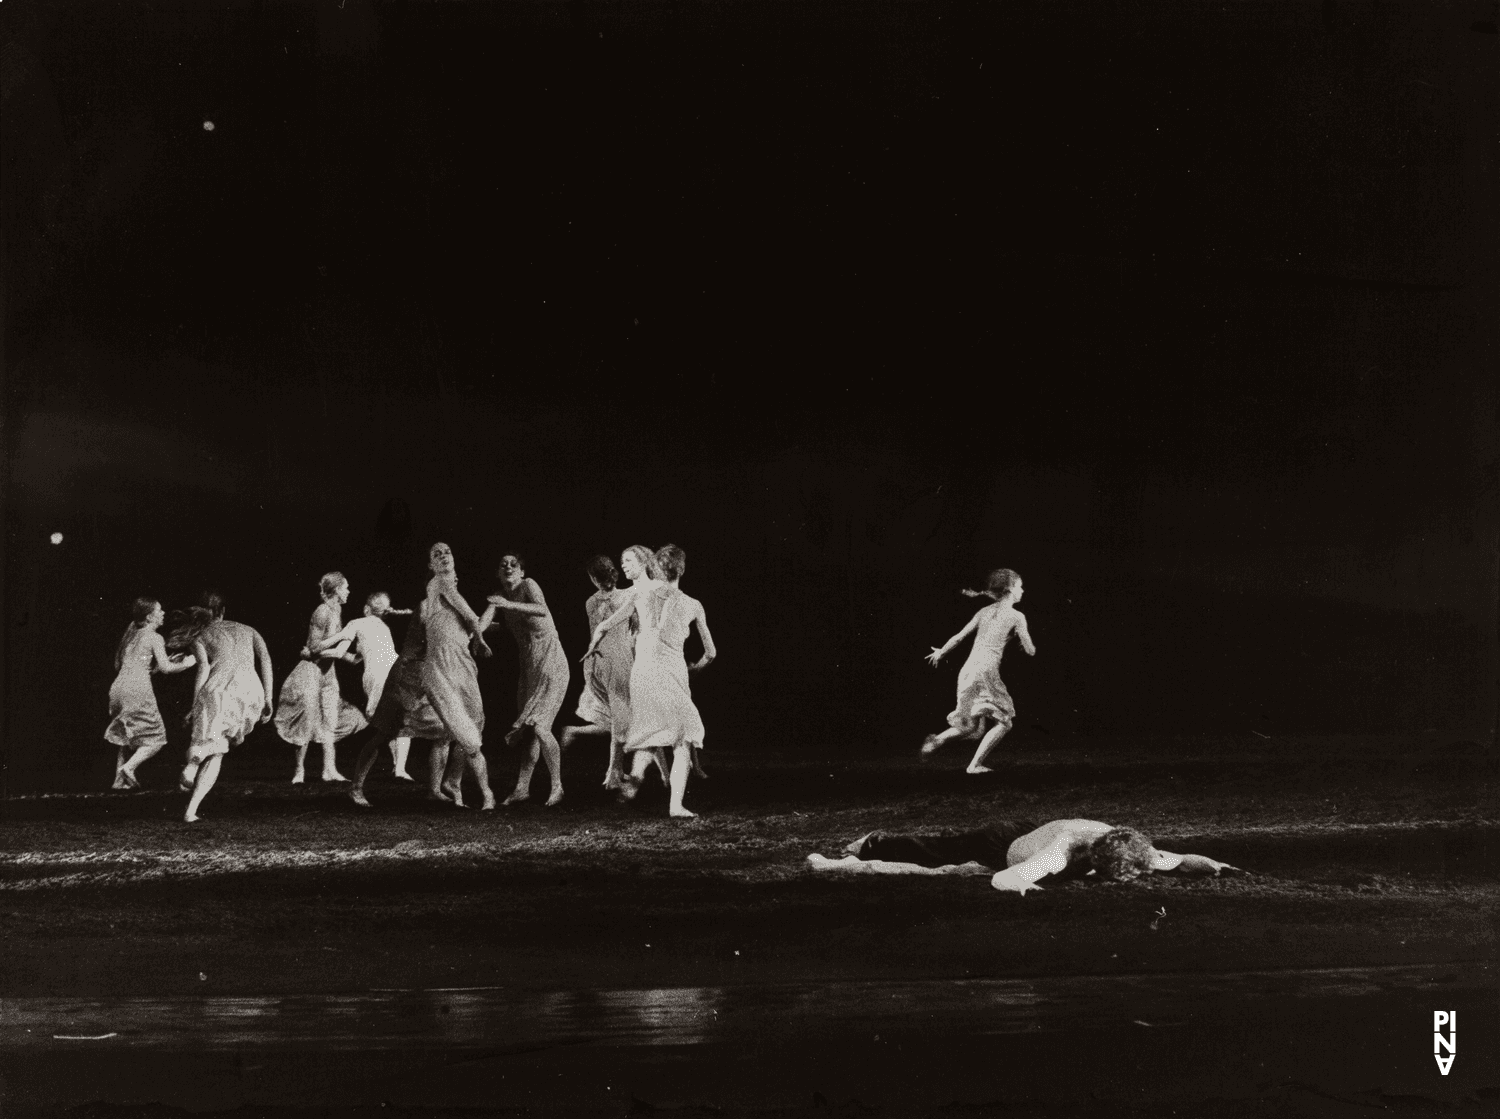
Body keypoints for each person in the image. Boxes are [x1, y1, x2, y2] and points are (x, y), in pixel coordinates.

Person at [585, 543, 715, 818]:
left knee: (650, 731)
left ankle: (636, 773)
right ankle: (675, 805)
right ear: (681, 569)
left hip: (641, 672)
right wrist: (698, 668)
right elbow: (711, 653)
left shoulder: (640, 594)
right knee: (684, 739)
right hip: (671, 672)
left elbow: (604, 625)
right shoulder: (692, 604)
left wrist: (591, 646)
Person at [806, 819, 1244, 891]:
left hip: (1034, 831)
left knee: (943, 856)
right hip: (1003, 847)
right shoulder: (1058, 855)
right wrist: (1021, 883)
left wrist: (1212, 864)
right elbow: (1003, 879)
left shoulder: (1136, 848)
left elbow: (1178, 858)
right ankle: (871, 845)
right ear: (1093, 858)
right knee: (939, 858)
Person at [347, 589, 460, 808]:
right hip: (405, 678)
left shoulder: (442, 612)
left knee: (444, 730)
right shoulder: (426, 610)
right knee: (385, 732)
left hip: (425, 679)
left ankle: (434, 790)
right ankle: (356, 787)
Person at [921, 568, 1035, 773]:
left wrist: (941, 652)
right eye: (1020, 586)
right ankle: (974, 765)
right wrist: (1022, 641)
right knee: (1005, 722)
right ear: (1009, 590)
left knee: (969, 727)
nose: (1023, 591)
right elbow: (1030, 651)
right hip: (986, 672)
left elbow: (959, 637)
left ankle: (936, 741)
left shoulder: (983, 611)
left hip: (967, 671)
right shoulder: (1017, 616)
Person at [179, 592, 275, 823]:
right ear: (223, 611)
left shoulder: (199, 635)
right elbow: (266, 661)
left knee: (204, 743)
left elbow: (203, 669)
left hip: (217, 689)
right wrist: (269, 697)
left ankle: (194, 762)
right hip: (249, 690)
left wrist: (195, 705)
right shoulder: (248, 629)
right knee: (220, 749)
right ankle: (190, 811)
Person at [486, 552, 570, 807]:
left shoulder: (528, 585)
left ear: (521, 571)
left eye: (514, 564)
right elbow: (503, 626)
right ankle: (522, 788)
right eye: (503, 565)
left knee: (541, 727)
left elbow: (541, 609)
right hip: (530, 670)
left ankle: (557, 786)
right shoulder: (502, 599)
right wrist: (474, 629)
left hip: (551, 664)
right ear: (498, 574)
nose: (509, 567)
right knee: (530, 733)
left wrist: (506, 605)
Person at [420, 542, 498, 809]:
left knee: (466, 725)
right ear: (431, 565)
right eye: (437, 554)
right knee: (466, 734)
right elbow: (471, 618)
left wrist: (492, 609)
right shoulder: (439, 583)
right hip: (441, 669)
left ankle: (446, 783)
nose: (443, 556)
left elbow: (472, 624)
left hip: (460, 667)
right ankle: (487, 793)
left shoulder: (446, 602)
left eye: (447, 552)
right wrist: (481, 636)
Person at [274, 572, 363, 783]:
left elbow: (329, 649)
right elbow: (313, 648)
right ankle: (299, 771)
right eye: (346, 587)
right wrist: (341, 640)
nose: (349, 591)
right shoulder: (322, 611)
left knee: (330, 721)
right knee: (307, 720)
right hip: (311, 671)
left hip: (328, 672)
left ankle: (329, 769)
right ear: (336, 590)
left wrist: (353, 657)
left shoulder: (337, 610)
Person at [559, 555, 635, 791]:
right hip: (615, 661)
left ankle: (574, 732)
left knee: (616, 719)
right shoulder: (625, 597)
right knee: (622, 718)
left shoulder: (591, 601)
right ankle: (613, 772)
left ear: (593, 579)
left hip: (595, 662)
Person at [107, 597, 197, 789]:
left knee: (126, 736)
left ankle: (119, 781)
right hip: (137, 688)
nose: (163, 613)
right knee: (156, 739)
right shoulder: (155, 637)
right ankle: (128, 768)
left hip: (118, 688)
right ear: (149, 617)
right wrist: (186, 664)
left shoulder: (132, 635)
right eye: (159, 610)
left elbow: (127, 666)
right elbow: (166, 669)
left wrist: (162, 665)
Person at [326, 592, 416, 780]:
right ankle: (399, 768)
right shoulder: (383, 627)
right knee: (399, 718)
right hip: (397, 670)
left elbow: (339, 646)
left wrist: (316, 650)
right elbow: (354, 659)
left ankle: (392, 769)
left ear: (367, 609)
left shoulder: (357, 622)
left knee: (383, 719)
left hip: (377, 674)